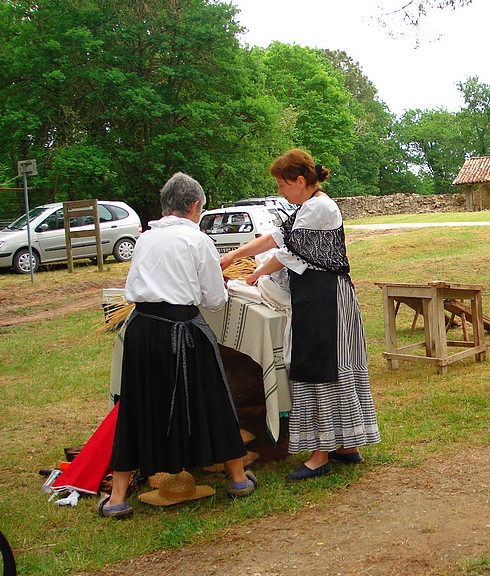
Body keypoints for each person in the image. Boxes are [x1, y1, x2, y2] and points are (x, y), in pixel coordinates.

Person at [220, 148, 380, 481]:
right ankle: (346, 446)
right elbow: (275, 237)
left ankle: (321, 455)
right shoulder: (307, 206)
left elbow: (284, 253)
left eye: (282, 184)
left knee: (318, 367)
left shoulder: (319, 208)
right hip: (319, 296)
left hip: (324, 299)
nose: (280, 191)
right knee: (331, 367)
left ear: (300, 181)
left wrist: (251, 277)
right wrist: (232, 255)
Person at [101, 173, 254, 519]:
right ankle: (238, 478)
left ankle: (118, 498)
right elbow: (214, 300)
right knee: (213, 397)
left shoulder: (145, 239)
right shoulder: (197, 240)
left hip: (141, 330)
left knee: (136, 406)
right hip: (181, 330)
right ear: (194, 206)